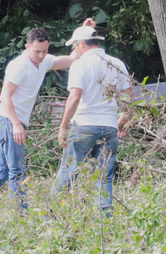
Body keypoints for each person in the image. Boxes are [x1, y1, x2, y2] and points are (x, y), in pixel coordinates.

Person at [0, 20, 92, 212]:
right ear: (27, 47)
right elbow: (4, 96)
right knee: (17, 170)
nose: (41, 55)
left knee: (2, 171)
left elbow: (71, 58)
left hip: (14, 122)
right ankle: (21, 214)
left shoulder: (44, 61)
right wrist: (16, 124)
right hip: (8, 121)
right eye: (37, 51)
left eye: (44, 51)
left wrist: (83, 32)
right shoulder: (19, 65)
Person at [51, 24, 131, 216]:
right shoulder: (117, 64)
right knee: (104, 176)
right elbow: (130, 98)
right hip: (109, 128)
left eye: (73, 46)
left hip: (84, 126)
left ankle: (53, 214)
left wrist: (63, 127)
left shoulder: (80, 65)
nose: (73, 51)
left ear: (80, 44)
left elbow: (74, 97)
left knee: (69, 171)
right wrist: (122, 120)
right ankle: (104, 217)